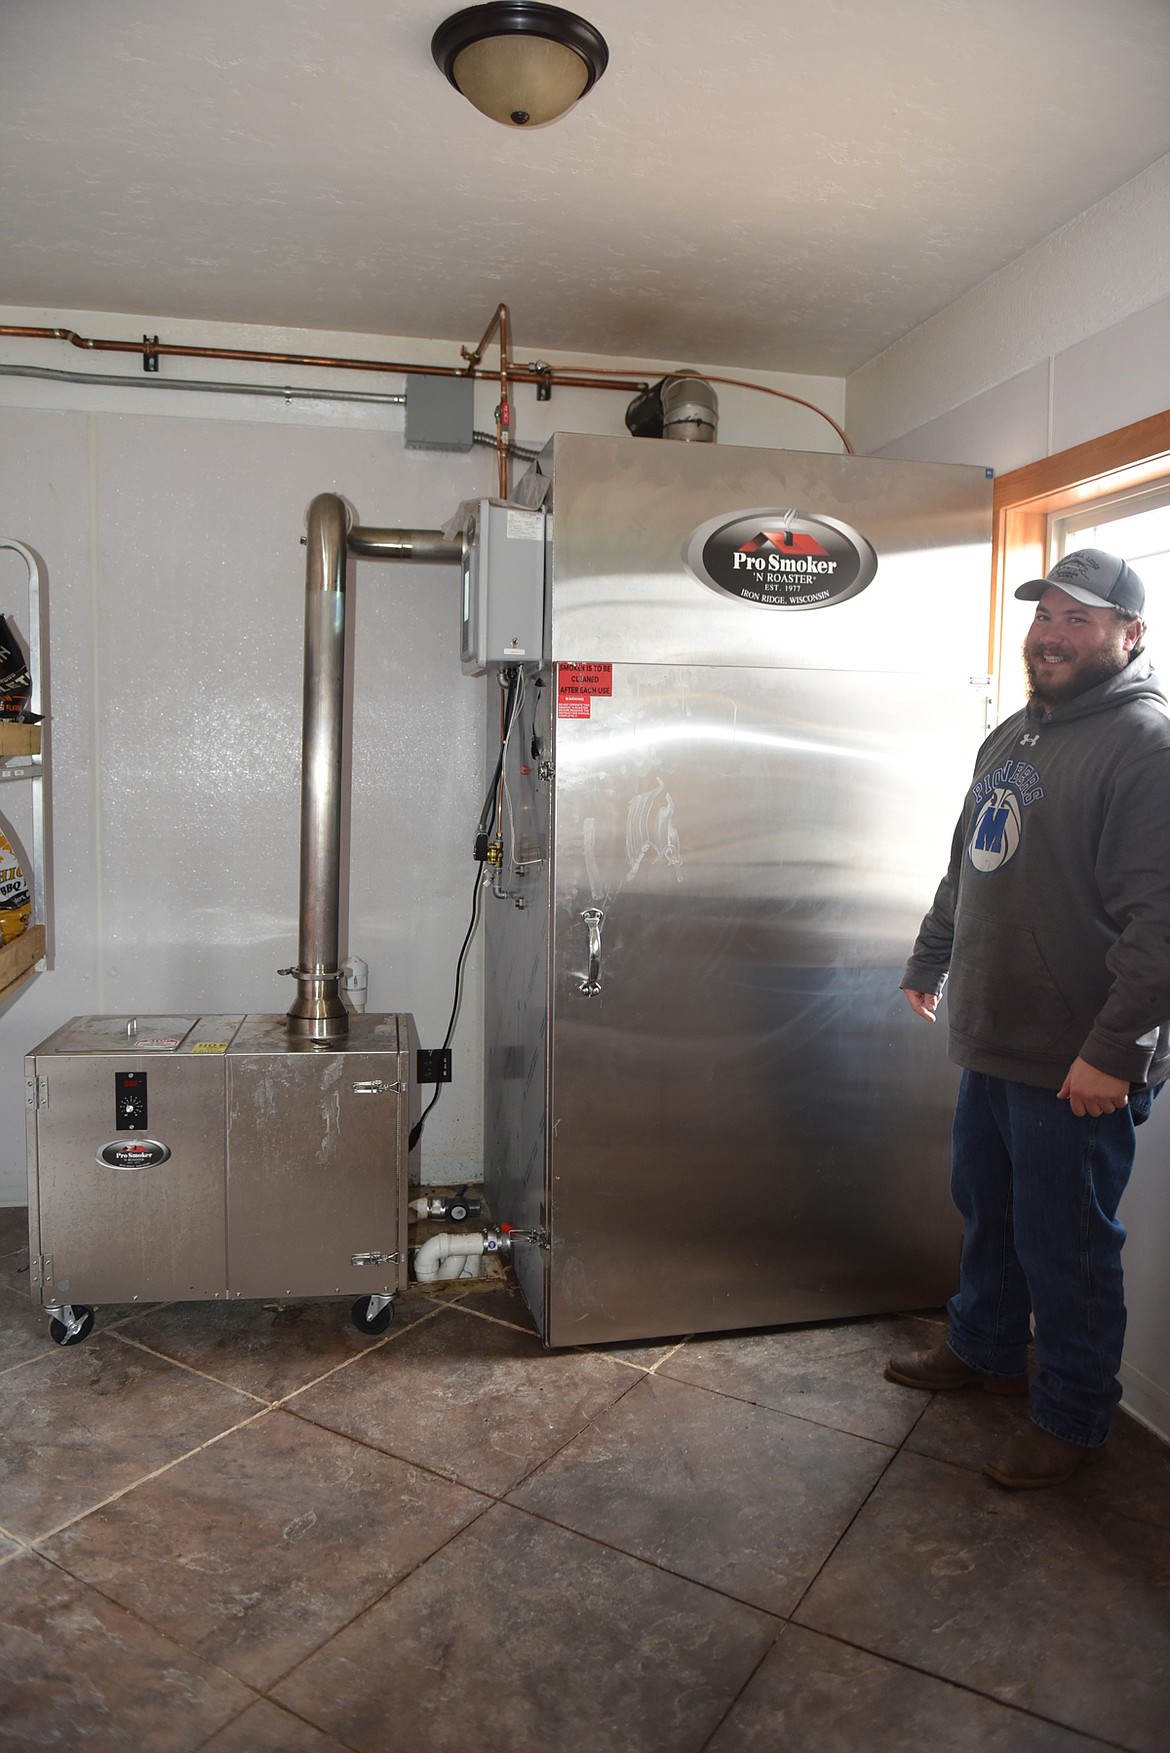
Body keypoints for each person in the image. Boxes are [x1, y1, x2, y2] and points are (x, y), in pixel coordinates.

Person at [886, 547, 1170, 1489]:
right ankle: (988, 1349)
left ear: (1130, 633)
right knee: (990, 1211)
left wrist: (1114, 1053)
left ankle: (1076, 1416)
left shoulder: (1145, 746)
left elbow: (1160, 923)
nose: (1051, 633)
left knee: (1071, 1245)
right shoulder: (1015, 731)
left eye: (1078, 618)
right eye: (1044, 614)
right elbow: (969, 859)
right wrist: (934, 956)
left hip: (1078, 1061)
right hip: (998, 1036)